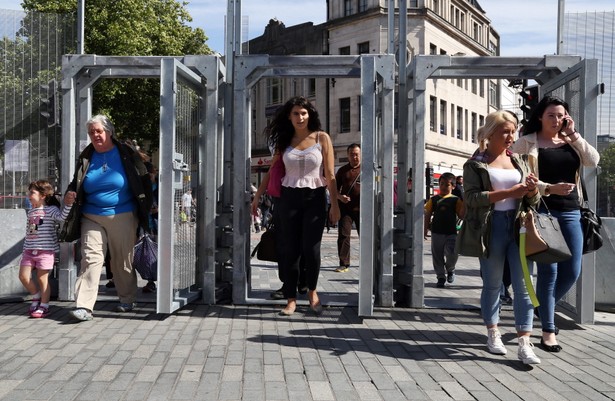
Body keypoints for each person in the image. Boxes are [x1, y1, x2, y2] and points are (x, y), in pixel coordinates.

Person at [511, 96, 600, 353]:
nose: (557, 120)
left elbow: (593, 161)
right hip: (541, 212)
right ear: (540, 116)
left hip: (572, 211)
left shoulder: (570, 142)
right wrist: (549, 188)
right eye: (552, 115)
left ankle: (540, 307)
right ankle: (548, 331)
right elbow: (518, 177)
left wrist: (574, 135)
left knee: (572, 270)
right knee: (548, 274)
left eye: (561, 116)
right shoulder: (526, 143)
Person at [459, 110, 541, 365]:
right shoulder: (475, 163)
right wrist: (509, 192)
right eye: (506, 131)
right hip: (491, 227)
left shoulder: (519, 160)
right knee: (493, 284)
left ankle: (524, 342)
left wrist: (530, 190)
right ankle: (493, 333)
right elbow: (471, 199)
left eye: (513, 130)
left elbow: (533, 200)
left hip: (520, 228)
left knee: (524, 286)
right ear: (491, 132)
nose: (511, 136)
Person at [252, 96, 340, 316]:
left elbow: (330, 174)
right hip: (288, 198)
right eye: (295, 113)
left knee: (311, 249)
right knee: (289, 250)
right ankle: (290, 299)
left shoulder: (322, 138)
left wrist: (335, 205)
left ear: (309, 115)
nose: (300, 117)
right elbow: (272, 172)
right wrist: (256, 198)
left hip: (315, 198)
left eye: (303, 113)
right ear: (289, 117)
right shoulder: (284, 141)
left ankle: (312, 292)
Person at [65, 114, 152, 322]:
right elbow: (76, 181)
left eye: (98, 131)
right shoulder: (86, 155)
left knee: (122, 259)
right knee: (91, 259)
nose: (95, 135)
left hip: (122, 213)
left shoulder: (125, 153)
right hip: (91, 215)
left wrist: (146, 207)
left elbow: (143, 179)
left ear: (109, 132)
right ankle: (84, 306)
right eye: (91, 132)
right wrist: (70, 193)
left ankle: (127, 299)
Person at [18, 180, 75, 318]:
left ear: (43, 195)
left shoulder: (51, 210)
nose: (29, 195)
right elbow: (30, 232)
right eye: (29, 192)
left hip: (45, 251)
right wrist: (25, 248)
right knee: (23, 277)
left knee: (42, 279)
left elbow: (62, 218)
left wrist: (68, 205)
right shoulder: (31, 211)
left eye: (32, 192)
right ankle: (36, 296)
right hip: (29, 251)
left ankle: (44, 305)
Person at [423, 172, 464, 288]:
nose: (443, 187)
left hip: (451, 232)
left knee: (453, 253)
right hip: (436, 232)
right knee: (437, 256)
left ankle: (450, 269)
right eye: (441, 184)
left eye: (447, 185)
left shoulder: (456, 200)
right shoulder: (434, 199)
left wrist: (465, 204)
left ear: (453, 186)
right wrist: (425, 230)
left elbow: (461, 215)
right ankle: (440, 277)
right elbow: (427, 214)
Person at [335, 143, 361, 272]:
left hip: (363, 210)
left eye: (356, 154)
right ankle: (344, 263)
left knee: (366, 236)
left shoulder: (366, 169)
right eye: (352, 154)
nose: (354, 157)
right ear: (348, 155)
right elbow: (333, 189)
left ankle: (369, 261)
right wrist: (340, 197)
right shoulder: (342, 170)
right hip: (346, 209)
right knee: (344, 235)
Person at [143, 161, 158, 293]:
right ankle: (150, 281)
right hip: (144, 225)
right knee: (147, 255)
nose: (148, 179)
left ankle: (153, 281)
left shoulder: (160, 187)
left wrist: (158, 209)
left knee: (156, 254)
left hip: (157, 224)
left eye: (150, 176)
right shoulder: (141, 186)